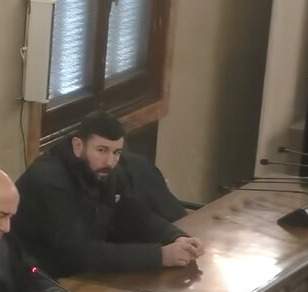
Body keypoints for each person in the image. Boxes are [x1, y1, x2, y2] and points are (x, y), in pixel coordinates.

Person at [12, 110, 204, 277]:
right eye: (102, 150)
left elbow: (134, 215)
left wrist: (176, 237)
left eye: (116, 152)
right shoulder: (49, 181)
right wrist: (159, 256)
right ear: (78, 146)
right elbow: (76, 253)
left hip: (81, 274)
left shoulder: (104, 171)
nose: (110, 161)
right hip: (35, 278)